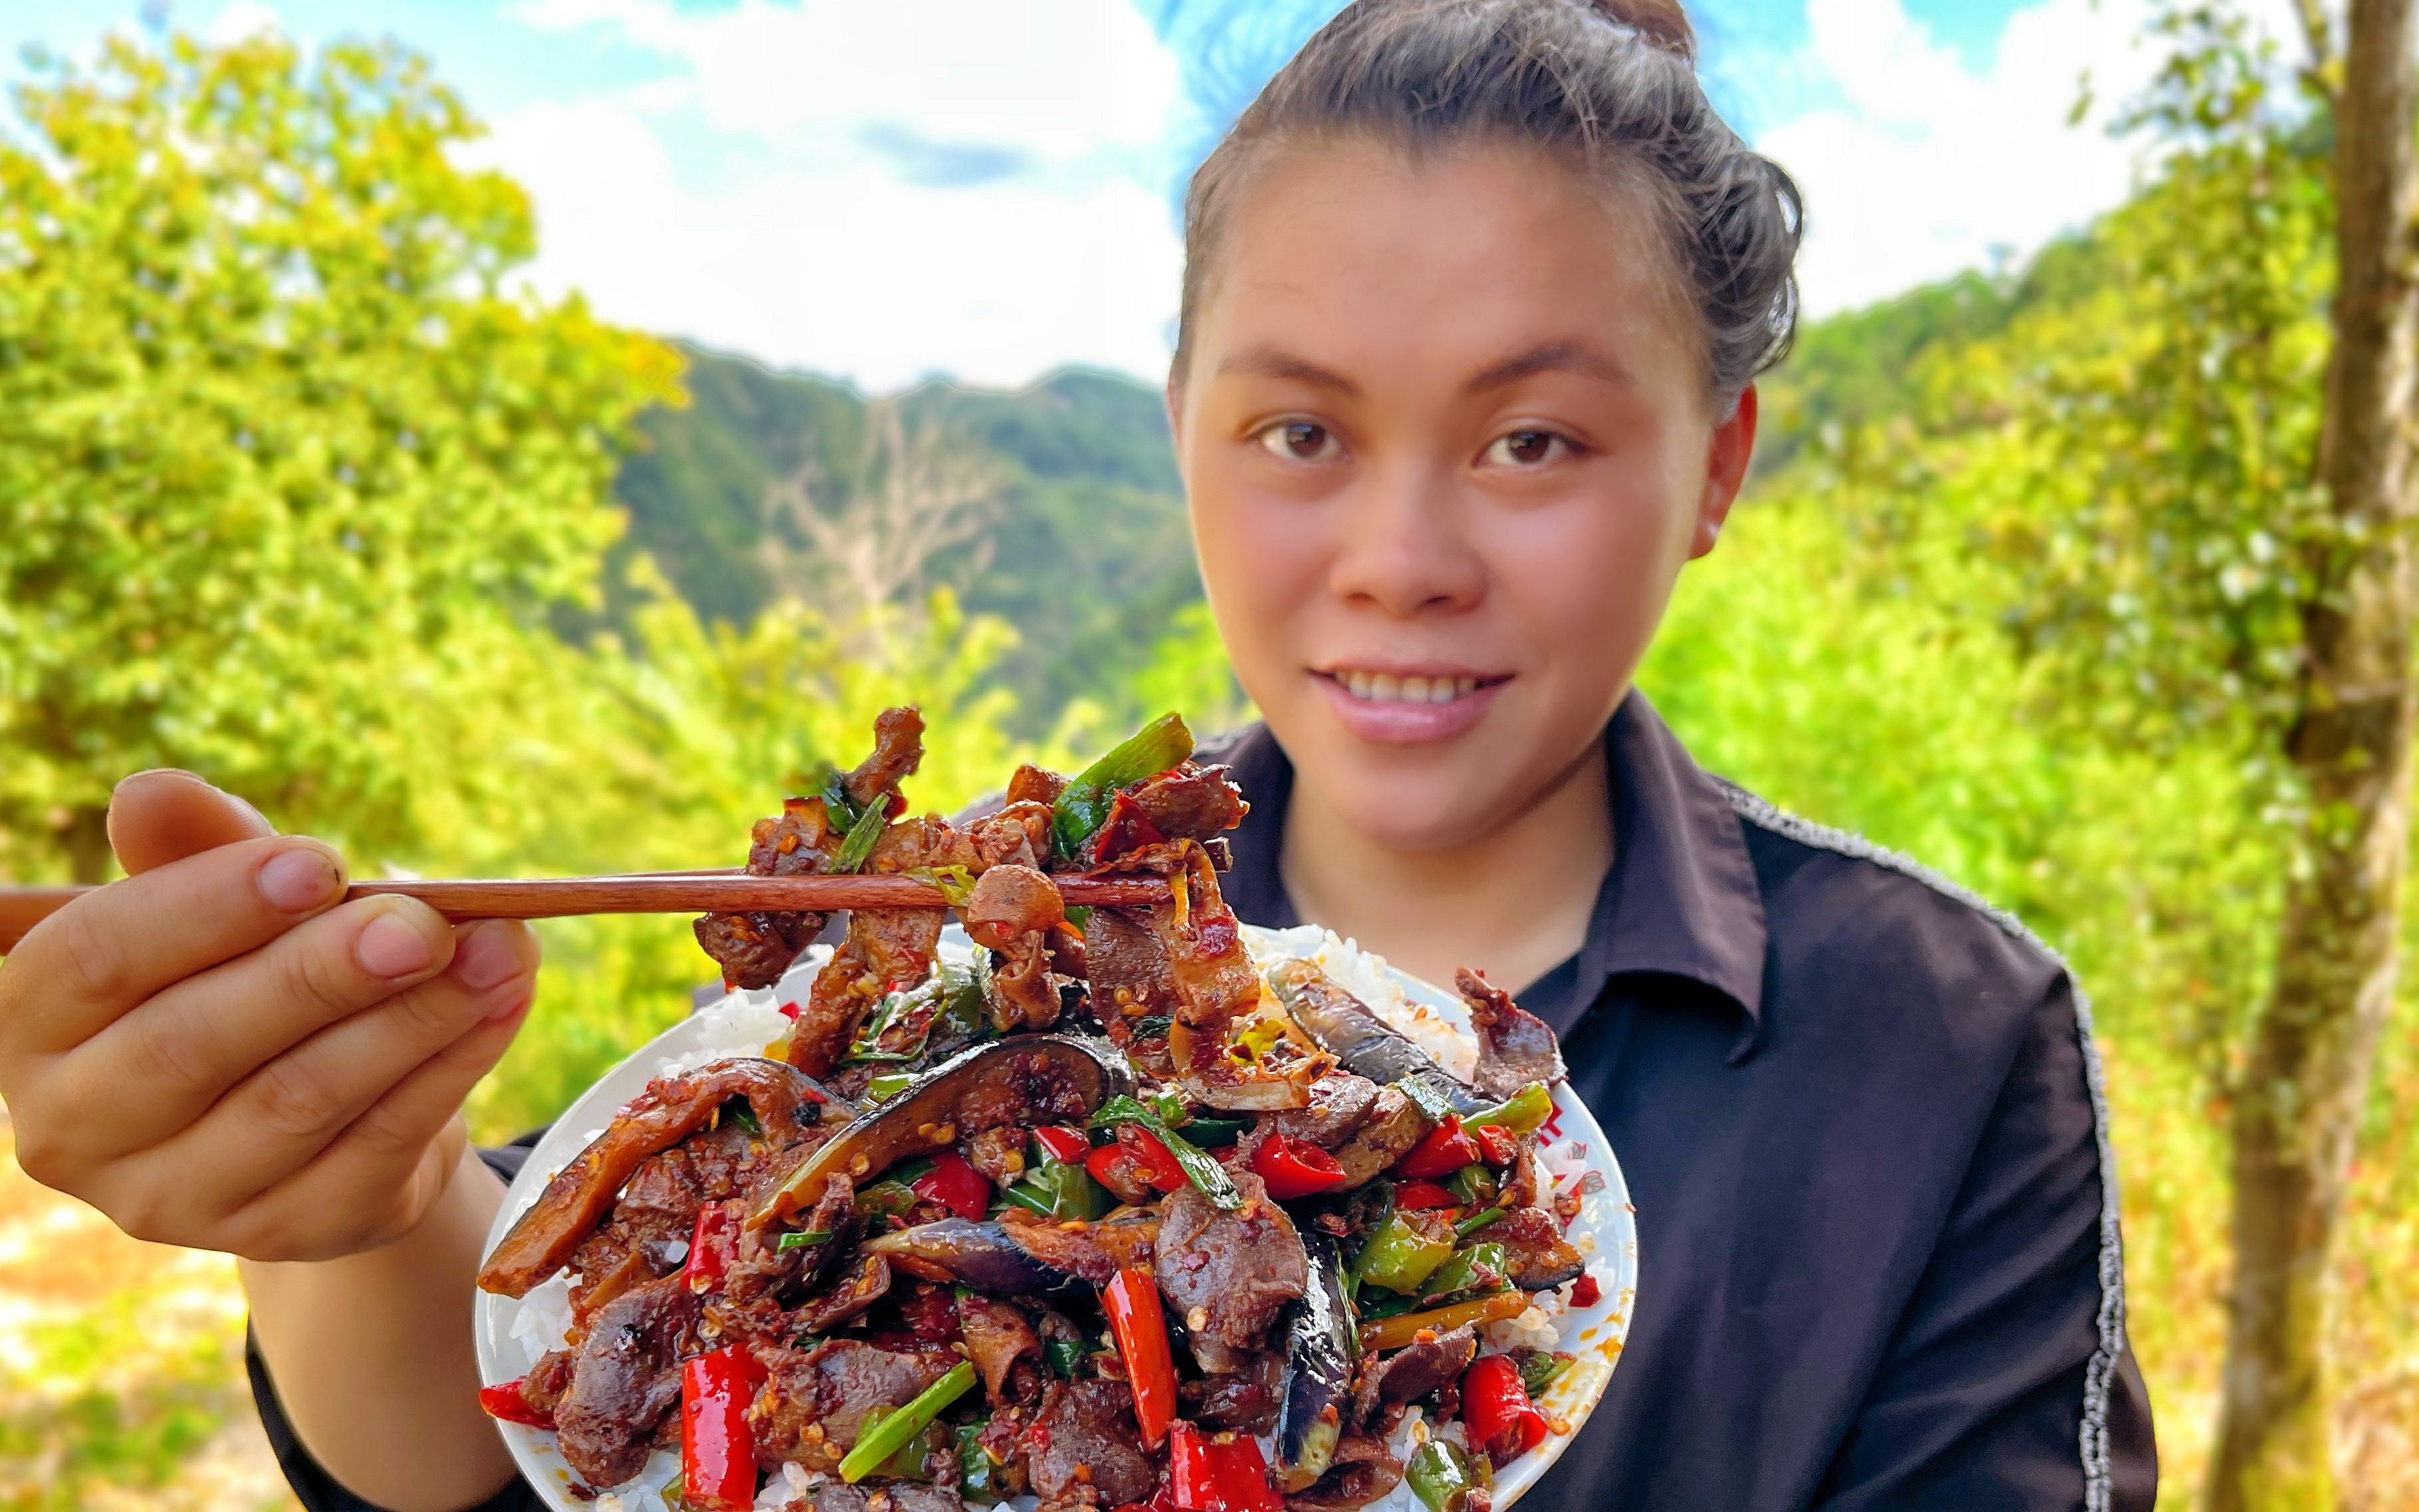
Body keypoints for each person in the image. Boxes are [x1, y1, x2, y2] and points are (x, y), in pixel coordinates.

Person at [0, 1, 2158, 1508]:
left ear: (1713, 465)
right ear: (1186, 439)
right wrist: (353, 1206)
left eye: (1532, 438)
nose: (1399, 559)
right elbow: (537, 1447)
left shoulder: (1950, 1037)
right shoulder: (923, 963)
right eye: (1299, 430)